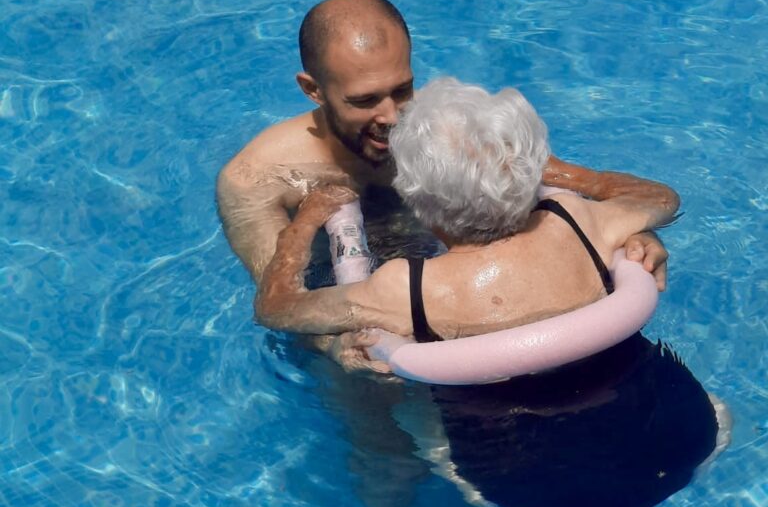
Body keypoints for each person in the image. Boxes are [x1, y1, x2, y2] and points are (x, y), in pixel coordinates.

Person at [217, 0, 670, 367]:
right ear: (312, 89)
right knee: (379, 449)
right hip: (369, 308)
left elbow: (582, 187)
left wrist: (632, 237)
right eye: (365, 100)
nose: (392, 118)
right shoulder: (255, 179)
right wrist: (336, 349)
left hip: (446, 287)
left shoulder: (451, 136)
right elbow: (281, 307)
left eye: (402, 90)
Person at [256, 78, 680, 353]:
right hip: (655, 411)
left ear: (417, 202)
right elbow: (662, 199)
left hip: (506, 465)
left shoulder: (406, 289)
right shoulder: (577, 218)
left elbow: (276, 308)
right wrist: (565, 174)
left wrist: (302, 225)